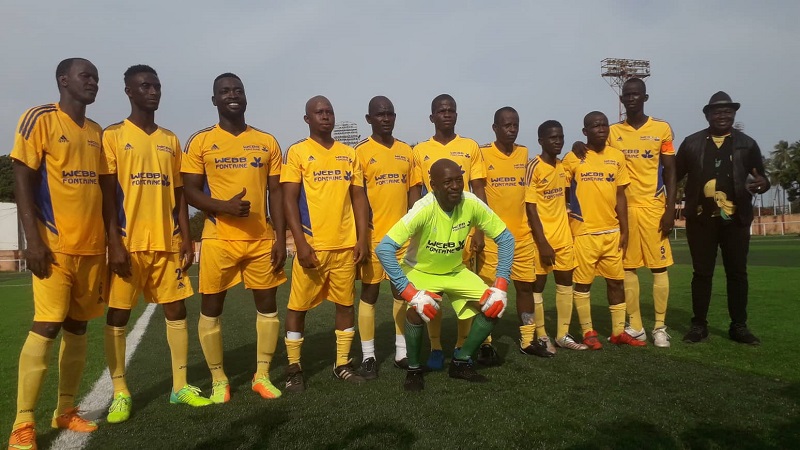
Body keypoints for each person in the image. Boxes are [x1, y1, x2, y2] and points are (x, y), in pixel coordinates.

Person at [100, 64, 211, 424]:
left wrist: (187, 237)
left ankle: (180, 386)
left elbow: (180, 195)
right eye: (145, 86)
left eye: (157, 86)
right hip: (128, 243)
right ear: (129, 91)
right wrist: (113, 242)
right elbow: (106, 196)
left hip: (168, 242)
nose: (153, 92)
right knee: (118, 314)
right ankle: (120, 392)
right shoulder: (113, 135)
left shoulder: (170, 139)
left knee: (177, 310)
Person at [8, 58, 106, 449]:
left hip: (92, 248)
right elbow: (22, 179)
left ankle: (65, 409)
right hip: (54, 246)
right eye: (86, 76)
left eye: (96, 78)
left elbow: (101, 189)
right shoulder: (40, 118)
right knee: (47, 325)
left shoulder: (96, 131)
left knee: (78, 327)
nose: (93, 82)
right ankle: (22, 423)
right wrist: (32, 240)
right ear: (64, 80)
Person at [182, 73, 287, 403]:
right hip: (218, 238)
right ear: (214, 100)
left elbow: (276, 193)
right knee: (211, 308)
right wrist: (222, 207)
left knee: (268, 308)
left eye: (238, 90)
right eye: (225, 91)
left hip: (260, 239)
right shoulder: (201, 141)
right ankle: (219, 379)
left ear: (245, 97)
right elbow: (188, 191)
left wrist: (279, 237)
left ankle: (262, 376)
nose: (232, 95)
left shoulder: (266, 141)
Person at [376, 158, 515, 391]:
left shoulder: (471, 202)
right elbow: (384, 248)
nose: (455, 186)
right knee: (417, 311)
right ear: (433, 186)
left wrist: (501, 284)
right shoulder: (423, 208)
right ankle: (414, 369)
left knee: (495, 305)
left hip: (454, 271)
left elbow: (506, 238)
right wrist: (409, 292)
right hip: (420, 270)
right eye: (448, 182)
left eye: (459, 180)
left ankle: (461, 362)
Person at [281, 95, 370, 391]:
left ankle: (342, 364)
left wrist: (361, 238)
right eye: (319, 112)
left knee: (345, 305)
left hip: (345, 246)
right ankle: (294, 368)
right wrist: (300, 242)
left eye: (329, 111)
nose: (325, 116)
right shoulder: (297, 152)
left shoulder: (349, 153)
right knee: (297, 308)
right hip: (313, 246)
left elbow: (358, 197)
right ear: (307, 119)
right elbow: (288, 200)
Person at [676, 91, 769, 345]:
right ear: (707, 115)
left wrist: (764, 183)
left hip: (735, 220)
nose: (723, 116)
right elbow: (673, 174)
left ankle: (738, 326)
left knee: (737, 273)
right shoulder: (692, 143)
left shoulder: (747, 144)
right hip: (700, 220)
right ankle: (699, 325)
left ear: (734, 114)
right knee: (701, 273)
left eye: (728, 111)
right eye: (717, 112)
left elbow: (761, 177)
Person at [411, 94, 491, 369]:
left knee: (463, 293)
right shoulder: (420, 151)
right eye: (441, 110)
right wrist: (416, 227)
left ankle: (461, 345)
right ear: (432, 117)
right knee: (432, 291)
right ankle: (435, 347)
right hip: (432, 233)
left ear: (456, 115)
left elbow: (478, 189)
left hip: (463, 231)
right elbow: (416, 190)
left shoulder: (470, 147)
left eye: (451, 110)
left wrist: (479, 230)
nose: (447, 114)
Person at [562, 111, 645, 349]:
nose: (601, 129)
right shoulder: (573, 157)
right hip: (584, 232)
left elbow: (621, 195)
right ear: (585, 131)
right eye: (595, 126)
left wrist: (624, 229)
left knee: (616, 282)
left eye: (604, 125)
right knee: (583, 284)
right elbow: (561, 190)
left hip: (612, 232)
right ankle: (588, 331)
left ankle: (618, 332)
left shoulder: (617, 156)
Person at [354, 96, 422, 377]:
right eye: (380, 114)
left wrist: (414, 228)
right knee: (369, 294)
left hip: (402, 239)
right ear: (369, 119)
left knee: (402, 293)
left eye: (390, 114)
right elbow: (357, 196)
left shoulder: (407, 151)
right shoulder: (360, 152)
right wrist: (361, 236)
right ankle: (368, 356)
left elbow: (414, 191)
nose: (385, 118)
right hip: (373, 238)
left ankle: (401, 352)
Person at [478, 107, 554, 357]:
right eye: (506, 125)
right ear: (495, 128)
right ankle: (485, 342)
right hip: (493, 238)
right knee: (489, 292)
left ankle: (527, 340)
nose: (512, 130)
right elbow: (478, 193)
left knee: (525, 288)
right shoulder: (482, 153)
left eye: (515, 125)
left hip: (521, 237)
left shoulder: (523, 153)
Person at [607, 78, 677, 348]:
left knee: (659, 267)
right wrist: (580, 145)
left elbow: (670, 170)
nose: (632, 98)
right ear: (622, 99)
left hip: (653, 208)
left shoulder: (661, 129)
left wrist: (670, 209)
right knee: (628, 267)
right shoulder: (613, 132)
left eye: (636, 94)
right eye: (627, 95)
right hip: (624, 211)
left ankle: (659, 327)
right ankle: (636, 326)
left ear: (645, 98)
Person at [525, 120, 588, 351]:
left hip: (563, 238)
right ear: (541, 140)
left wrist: (578, 143)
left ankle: (563, 335)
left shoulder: (564, 164)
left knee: (565, 284)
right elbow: (530, 207)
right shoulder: (534, 166)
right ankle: (542, 335)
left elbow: (585, 153)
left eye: (561, 137)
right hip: (541, 240)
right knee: (537, 287)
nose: (558, 141)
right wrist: (542, 242)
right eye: (553, 138)